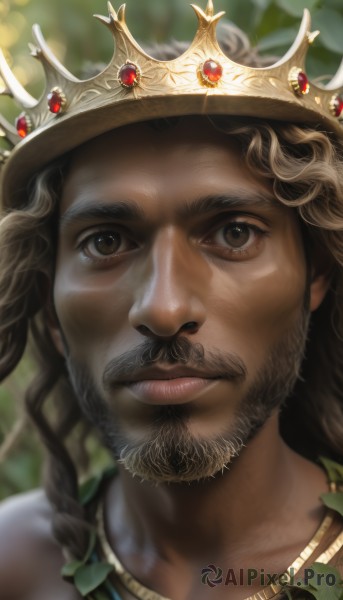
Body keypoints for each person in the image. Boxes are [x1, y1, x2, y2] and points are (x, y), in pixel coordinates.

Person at [0, 1, 342, 599]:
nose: (162, 309)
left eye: (234, 232)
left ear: (314, 273)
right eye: (105, 241)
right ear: (49, 301)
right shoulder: (12, 566)